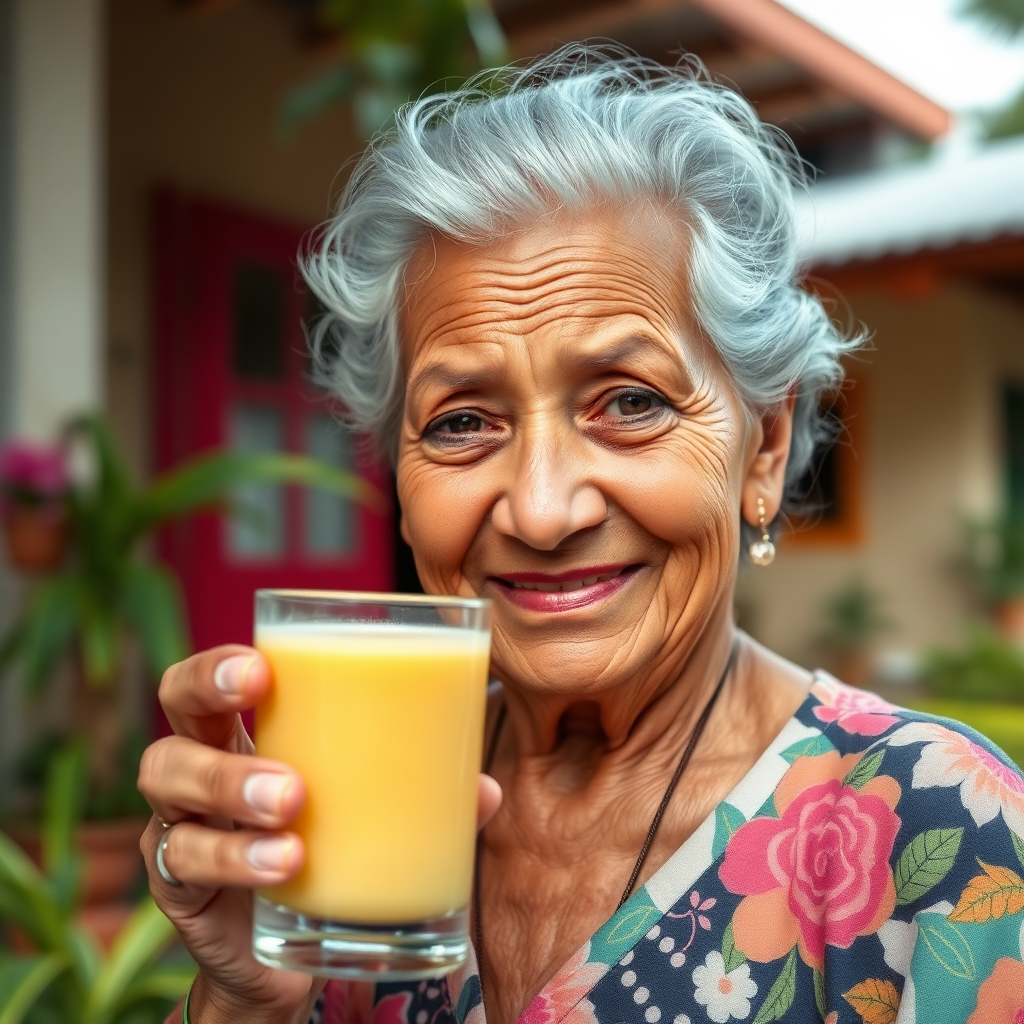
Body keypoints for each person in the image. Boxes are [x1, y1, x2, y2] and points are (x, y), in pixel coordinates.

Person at [139, 46, 1024, 1024]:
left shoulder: (940, 831)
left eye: (630, 401)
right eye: (461, 421)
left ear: (763, 447)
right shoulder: (342, 816)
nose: (542, 509)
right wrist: (241, 999)